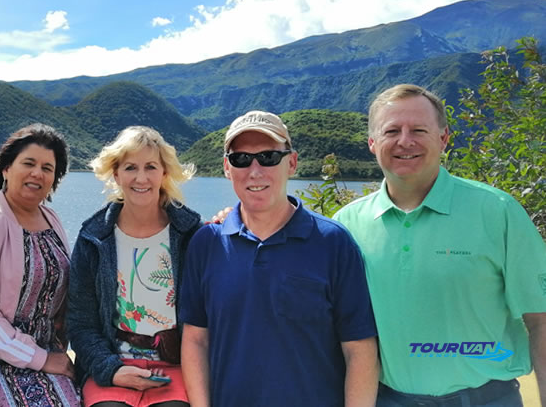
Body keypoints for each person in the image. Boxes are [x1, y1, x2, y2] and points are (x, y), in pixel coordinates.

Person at [333, 84, 546, 406]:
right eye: (392, 131)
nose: (405, 141)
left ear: (443, 138)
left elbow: (540, 321)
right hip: (387, 399)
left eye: (419, 129)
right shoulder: (346, 225)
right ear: (372, 143)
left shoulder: (497, 211)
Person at [178, 111, 379, 407]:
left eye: (269, 157)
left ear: (292, 162)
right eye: (241, 159)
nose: (255, 171)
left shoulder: (332, 242)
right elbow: (196, 340)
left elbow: (359, 349)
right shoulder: (206, 244)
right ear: (226, 167)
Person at [68, 126, 202, 407]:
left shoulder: (190, 234)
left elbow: (206, 317)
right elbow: (80, 323)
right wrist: (111, 369)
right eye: (130, 167)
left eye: (150, 167)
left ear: (164, 173)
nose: (141, 178)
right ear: (116, 174)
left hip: (177, 368)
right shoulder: (93, 238)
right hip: (114, 366)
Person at [0, 123, 79, 406]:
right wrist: (40, 359)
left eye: (48, 168)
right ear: (7, 168)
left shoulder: (52, 219)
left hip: (50, 353)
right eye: (29, 163)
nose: (38, 173)